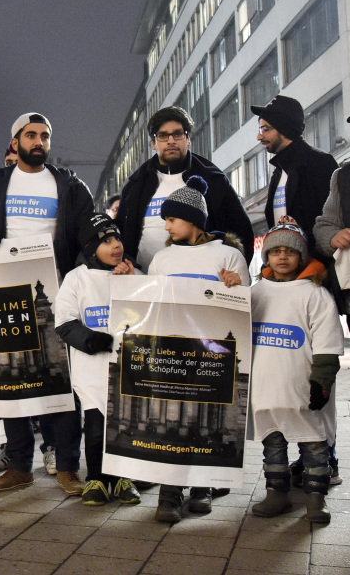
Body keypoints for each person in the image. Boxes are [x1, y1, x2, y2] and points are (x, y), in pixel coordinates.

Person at [0, 113, 94, 495]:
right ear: (15, 142)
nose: (39, 141)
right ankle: (20, 465)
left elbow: (90, 236)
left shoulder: (68, 185)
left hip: (56, 295)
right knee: (10, 381)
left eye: (45, 136)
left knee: (60, 383)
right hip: (3, 294)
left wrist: (82, 271)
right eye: (31, 135)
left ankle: (67, 466)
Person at [147, 175, 248, 522]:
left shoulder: (228, 255)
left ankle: (202, 487)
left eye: (172, 218)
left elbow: (244, 308)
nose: (167, 225)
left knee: (208, 417)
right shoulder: (162, 259)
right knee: (173, 416)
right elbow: (153, 304)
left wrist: (236, 287)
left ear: (192, 220)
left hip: (213, 353)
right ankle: (169, 492)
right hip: (174, 351)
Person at [250, 221, 341, 524]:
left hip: (303, 388)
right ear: (266, 257)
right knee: (272, 446)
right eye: (275, 251)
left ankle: (316, 499)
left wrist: (322, 382)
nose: (283, 257)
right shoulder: (255, 293)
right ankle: (277, 494)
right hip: (267, 390)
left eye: (290, 251)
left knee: (314, 446)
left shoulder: (315, 295)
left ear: (301, 256)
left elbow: (328, 343)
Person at [55, 212, 141, 506]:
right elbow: (65, 322)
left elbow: (149, 314)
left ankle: (123, 479)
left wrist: (130, 284)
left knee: (126, 423)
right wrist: (91, 340)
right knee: (95, 424)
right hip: (91, 368)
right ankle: (96, 478)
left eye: (117, 238)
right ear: (91, 247)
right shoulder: (76, 278)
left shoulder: (134, 273)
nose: (116, 245)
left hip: (126, 370)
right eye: (106, 241)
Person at [114, 106, 254, 270]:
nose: (171, 141)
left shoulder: (213, 179)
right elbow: (121, 234)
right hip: (145, 282)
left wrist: (234, 273)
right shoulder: (136, 185)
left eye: (178, 134)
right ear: (153, 143)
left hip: (202, 282)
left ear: (188, 139)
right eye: (163, 135)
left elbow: (241, 231)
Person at [254, 96, 337, 249]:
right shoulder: (279, 171)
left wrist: (318, 263)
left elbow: (332, 223)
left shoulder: (320, 163)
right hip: (287, 269)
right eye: (260, 129)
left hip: (316, 268)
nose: (259, 136)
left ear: (284, 129)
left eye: (265, 129)